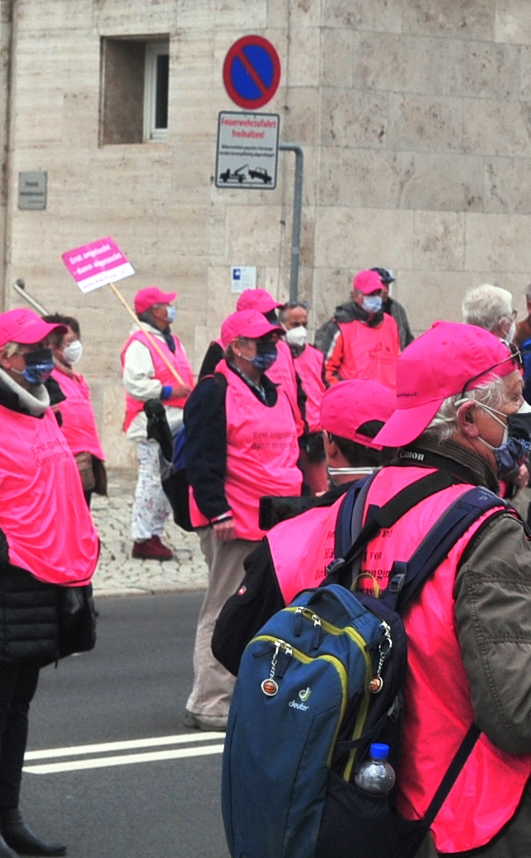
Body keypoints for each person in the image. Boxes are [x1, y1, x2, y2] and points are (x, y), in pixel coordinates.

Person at [214, 322, 531, 855]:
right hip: (487, 817)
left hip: (383, 809)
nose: (523, 417)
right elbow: (520, 713)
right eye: (513, 402)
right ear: (469, 419)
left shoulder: (350, 510)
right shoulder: (490, 531)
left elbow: (241, 646)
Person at [0, 309, 99, 858]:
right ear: (4, 355)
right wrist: (4, 553)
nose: (46, 359)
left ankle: (9, 818)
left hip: (39, 573)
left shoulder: (40, 407)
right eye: (34, 351)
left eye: (49, 349)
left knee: (17, 703)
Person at [179, 308, 303, 731]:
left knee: (265, 609)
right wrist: (218, 511)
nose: (271, 348)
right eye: (261, 342)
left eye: (273, 341)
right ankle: (209, 700)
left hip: (276, 518)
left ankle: (250, 694)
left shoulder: (275, 390)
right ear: (235, 347)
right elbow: (201, 458)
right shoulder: (213, 391)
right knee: (224, 607)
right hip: (234, 519)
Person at [120, 285, 194, 562]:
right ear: (154, 311)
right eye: (166, 305)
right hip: (151, 422)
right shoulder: (140, 343)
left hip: (176, 420)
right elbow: (135, 384)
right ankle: (143, 536)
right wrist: (168, 391)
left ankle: (155, 530)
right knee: (151, 480)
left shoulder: (171, 341)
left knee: (167, 480)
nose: (171, 308)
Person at [42, 314, 105, 500]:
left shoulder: (76, 379)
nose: (75, 346)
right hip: (63, 461)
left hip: (85, 459)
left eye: (76, 340)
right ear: (52, 345)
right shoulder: (46, 377)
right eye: (69, 342)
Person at [277, 300, 329, 496]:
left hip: (314, 437)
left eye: (304, 324)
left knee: (320, 492)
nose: (301, 330)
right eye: (295, 324)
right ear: (282, 326)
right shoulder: (275, 356)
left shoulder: (316, 356)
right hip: (286, 435)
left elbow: (324, 391)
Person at [324, 269, 403, 386]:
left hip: (388, 395)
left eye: (378, 293)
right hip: (355, 396)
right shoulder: (342, 325)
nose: (375, 298)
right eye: (371, 294)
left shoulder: (390, 323)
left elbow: (398, 363)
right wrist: (348, 392)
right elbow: (326, 371)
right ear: (355, 296)